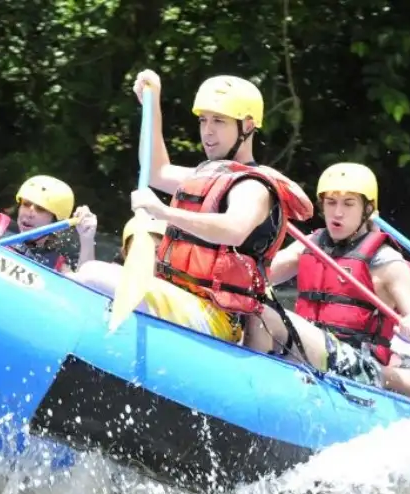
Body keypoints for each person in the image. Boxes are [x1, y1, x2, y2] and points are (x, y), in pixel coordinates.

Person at [72, 70, 315, 343]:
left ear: (247, 126)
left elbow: (234, 229)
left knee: (92, 274)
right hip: (183, 297)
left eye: (219, 121)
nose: (207, 131)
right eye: (203, 120)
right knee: (94, 274)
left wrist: (164, 212)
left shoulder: (253, 187)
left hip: (218, 316)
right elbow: (156, 171)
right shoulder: (207, 176)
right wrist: (152, 106)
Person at [263, 162, 410, 410]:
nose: (337, 213)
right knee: (257, 309)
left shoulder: (387, 262)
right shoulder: (309, 245)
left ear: (367, 209)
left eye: (348, 204)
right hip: (311, 351)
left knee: (269, 316)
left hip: (360, 365)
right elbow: (261, 275)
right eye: (331, 203)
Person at [0, 175, 97, 274]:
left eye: (40, 209)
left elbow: (86, 288)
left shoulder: (56, 267)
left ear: (55, 221)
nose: (29, 213)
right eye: (26, 204)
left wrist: (87, 239)